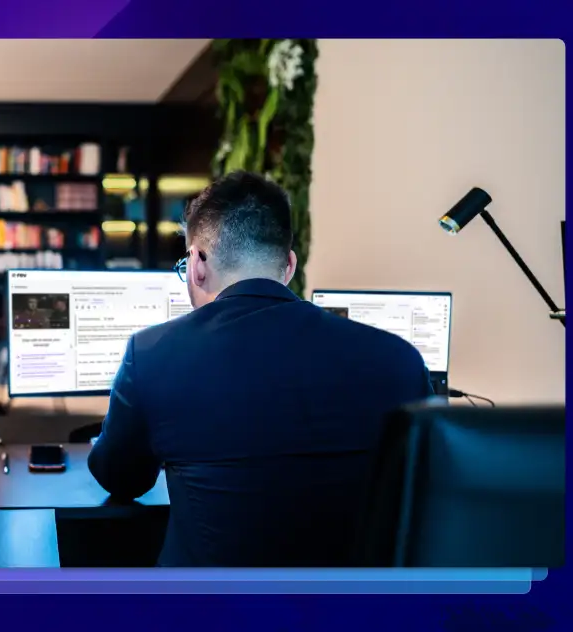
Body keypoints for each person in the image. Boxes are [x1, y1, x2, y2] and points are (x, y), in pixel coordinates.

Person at [87, 171, 433, 567]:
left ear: (197, 262)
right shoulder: (399, 358)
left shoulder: (151, 353)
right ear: (288, 265)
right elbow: (426, 493)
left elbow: (120, 478)